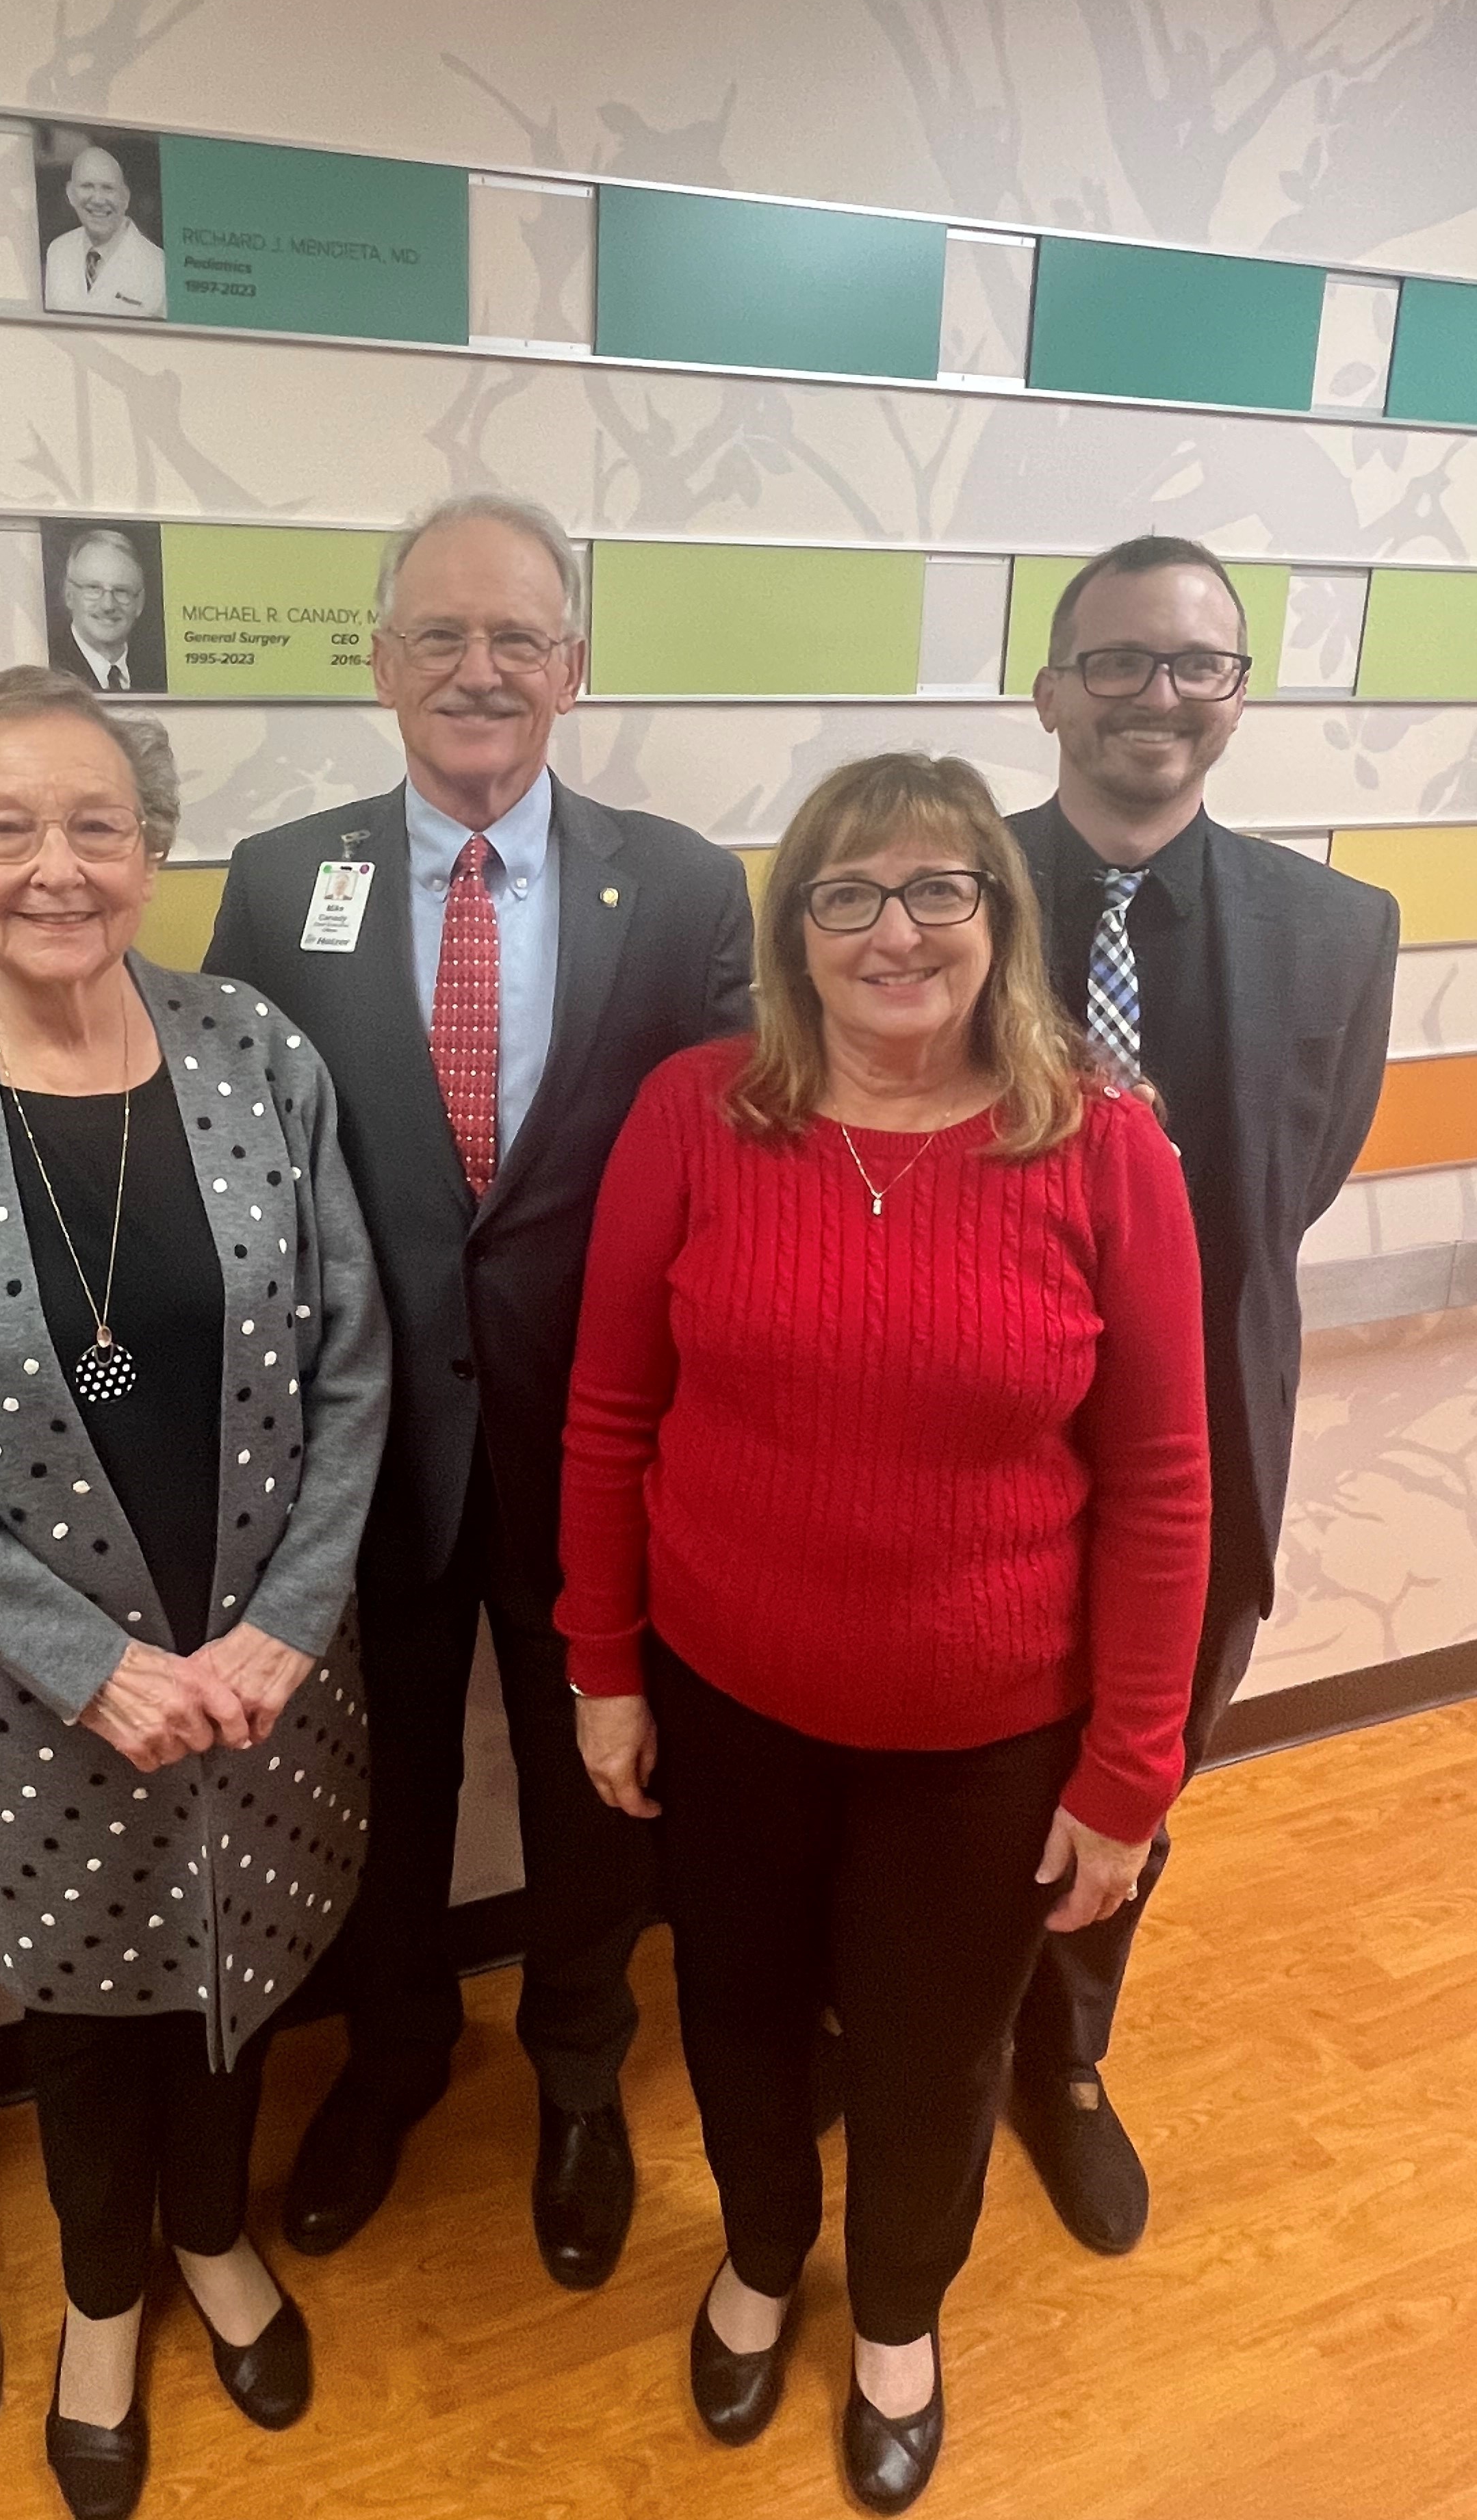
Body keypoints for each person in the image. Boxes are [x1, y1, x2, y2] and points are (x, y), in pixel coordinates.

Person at [558, 751, 1209, 2512]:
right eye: (847, 894)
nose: (894, 929)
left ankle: (903, 2312)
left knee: (934, 2054)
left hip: (989, 1736)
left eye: (939, 889)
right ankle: (764, 2259)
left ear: (1000, 920)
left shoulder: (1103, 1147)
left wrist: (1131, 1767)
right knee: (743, 2014)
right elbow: (611, 1412)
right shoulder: (698, 1114)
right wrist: (602, 1666)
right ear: (796, 934)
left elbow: (1161, 1484)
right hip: (729, 1698)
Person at [0, 668, 389, 2520]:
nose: (59, 866)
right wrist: (85, 1660)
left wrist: (286, 1618)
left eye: (98, 824)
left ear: (154, 848)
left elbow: (356, 1360)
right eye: (9, 828)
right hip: (30, 1681)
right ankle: (106, 2298)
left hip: (271, 1656)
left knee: (242, 1960)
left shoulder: (255, 1056)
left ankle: (214, 2236)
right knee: (81, 1996)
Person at [205, 491, 752, 2289]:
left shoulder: (676, 884)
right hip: (364, 1452)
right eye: (440, 633)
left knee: (604, 1788)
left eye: (518, 636)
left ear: (573, 670)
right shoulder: (288, 882)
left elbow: (774, 1113)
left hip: (599, 1444)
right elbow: (214, 1131)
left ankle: (580, 2078)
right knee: (384, 1782)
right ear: (379, 664)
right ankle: (395, 2052)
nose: (479, 667)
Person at [1005, 534, 1399, 2252]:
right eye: (1119, 661)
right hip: (969, 1435)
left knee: (1134, 1764)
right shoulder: (937, 894)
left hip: (1205, 1438)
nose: (1156, 697)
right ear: (1051, 689)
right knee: (948, 1756)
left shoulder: (1338, 932)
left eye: (1196, 666)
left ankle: (1065, 2052)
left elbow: (1295, 1184)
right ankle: (899, 2020)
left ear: (1237, 697)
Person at [42, 142, 168, 318]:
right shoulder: (58, 251)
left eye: (108, 188)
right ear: (71, 194)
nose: (98, 200)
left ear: (125, 198)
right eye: (87, 186)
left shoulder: (159, 266)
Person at [55, 528, 164, 694]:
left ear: (139, 603)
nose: (108, 606)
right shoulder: (51, 673)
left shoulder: (157, 672)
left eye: (121, 591)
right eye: (93, 589)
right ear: (69, 595)